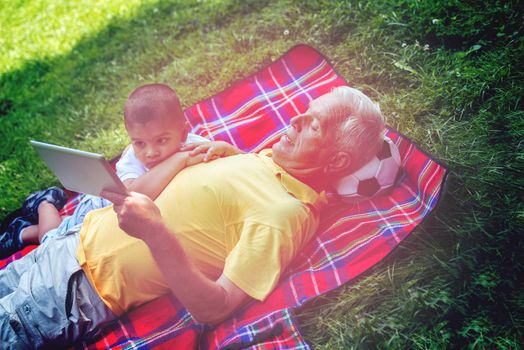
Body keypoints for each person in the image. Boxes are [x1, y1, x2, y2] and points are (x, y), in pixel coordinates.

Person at [0, 86, 385, 348]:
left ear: (336, 161)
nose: (295, 120)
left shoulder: (284, 215)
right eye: (304, 113)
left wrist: (156, 233)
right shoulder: (268, 160)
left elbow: (215, 307)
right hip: (70, 241)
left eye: (312, 125)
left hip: (79, 290)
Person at [0, 83, 231, 258]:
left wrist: (224, 148)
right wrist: (178, 160)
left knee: (54, 236)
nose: (150, 152)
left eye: (161, 140)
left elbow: (238, 163)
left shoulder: (192, 144)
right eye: (140, 143)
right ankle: (45, 203)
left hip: (126, 221)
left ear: (182, 133)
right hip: (97, 211)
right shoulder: (132, 158)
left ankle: (23, 231)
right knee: (53, 244)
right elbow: (133, 196)